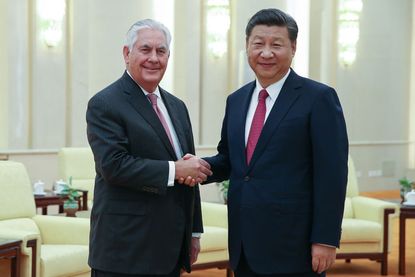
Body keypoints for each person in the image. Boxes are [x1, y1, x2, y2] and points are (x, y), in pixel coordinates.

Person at [200, 8, 349, 277]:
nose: (266, 53)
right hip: (244, 244)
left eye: (276, 45)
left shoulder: (318, 98)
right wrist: (198, 166)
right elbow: (231, 160)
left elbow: (332, 174)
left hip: (295, 247)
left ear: (293, 48)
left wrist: (325, 239)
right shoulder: (236, 100)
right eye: (258, 44)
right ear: (247, 46)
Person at [86, 19, 212, 277]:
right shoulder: (105, 103)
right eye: (145, 49)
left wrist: (194, 232)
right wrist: (174, 170)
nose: (154, 58)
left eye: (161, 51)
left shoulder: (177, 107)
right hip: (124, 251)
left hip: (170, 249)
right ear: (127, 53)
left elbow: (190, 171)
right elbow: (113, 165)